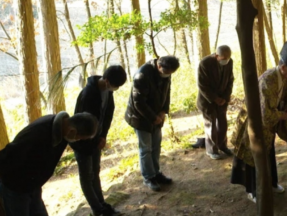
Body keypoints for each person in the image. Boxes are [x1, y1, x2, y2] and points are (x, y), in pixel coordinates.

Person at [231, 40, 287, 203]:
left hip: (269, 126)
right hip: (254, 123)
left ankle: (271, 183)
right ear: (283, 66)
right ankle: (252, 190)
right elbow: (265, 114)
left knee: (269, 154)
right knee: (253, 156)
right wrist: (281, 115)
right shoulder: (269, 79)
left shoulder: (286, 78)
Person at [0, 112, 98, 216]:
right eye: (79, 138)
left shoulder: (63, 129)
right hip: (15, 189)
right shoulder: (38, 133)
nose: (77, 141)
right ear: (72, 131)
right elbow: (8, 155)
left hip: (34, 187)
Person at [71, 65, 127, 216]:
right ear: (107, 80)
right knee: (87, 176)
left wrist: (103, 136)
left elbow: (108, 114)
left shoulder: (108, 92)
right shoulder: (89, 94)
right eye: (116, 85)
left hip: (97, 140)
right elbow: (83, 126)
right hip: (82, 142)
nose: (116, 89)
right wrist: (95, 141)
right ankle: (98, 210)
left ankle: (102, 205)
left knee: (95, 172)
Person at [125, 55, 180, 192]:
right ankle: (148, 177)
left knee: (156, 146)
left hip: (157, 115)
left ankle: (156, 173)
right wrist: (153, 117)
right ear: (159, 67)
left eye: (171, 73)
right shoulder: (142, 75)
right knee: (146, 149)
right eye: (167, 73)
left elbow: (167, 93)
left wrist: (163, 111)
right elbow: (138, 102)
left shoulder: (167, 72)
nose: (169, 75)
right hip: (141, 118)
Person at [197, 45, 234, 160]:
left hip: (222, 99)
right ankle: (212, 150)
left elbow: (230, 80)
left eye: (228, 58)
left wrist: (225, 97)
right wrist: (215, 98)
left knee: (222, 123)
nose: (226, 60)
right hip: (207, 100)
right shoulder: (205, 63)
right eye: (224, 58)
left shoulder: (229, 62)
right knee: (211, 124)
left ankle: (223, 146)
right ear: (217, 56)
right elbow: (202, 85)